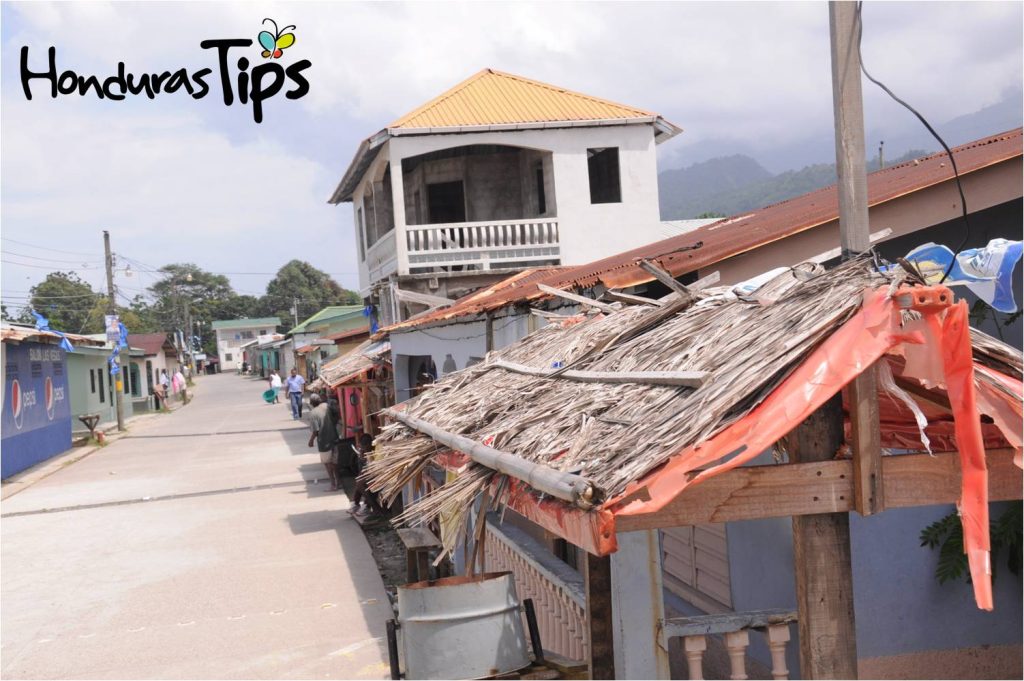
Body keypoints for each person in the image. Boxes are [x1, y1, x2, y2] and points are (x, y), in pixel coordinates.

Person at [307, 394, 341, 490]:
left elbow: (315, 430)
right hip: (334, 438)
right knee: (335, 463)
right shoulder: (326, 406)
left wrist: (311, 440)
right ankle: (338, 482)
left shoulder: (313, 413)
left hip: (324, 442)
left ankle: (333, 485)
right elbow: (337, 415)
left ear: (311, 403)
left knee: (327, 463)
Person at [350, 433, 383, 517]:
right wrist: (364, 457)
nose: (363, 450)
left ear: (368, 445)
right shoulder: (371, 449)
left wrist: (367, 457)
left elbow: (375, 467)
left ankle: (372, 508)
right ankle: (358, 504)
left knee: (362, 483)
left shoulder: (378, 448)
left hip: (382, 474)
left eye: (363, 448)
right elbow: (369, 467)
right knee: (360, 479)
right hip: (375, 473)